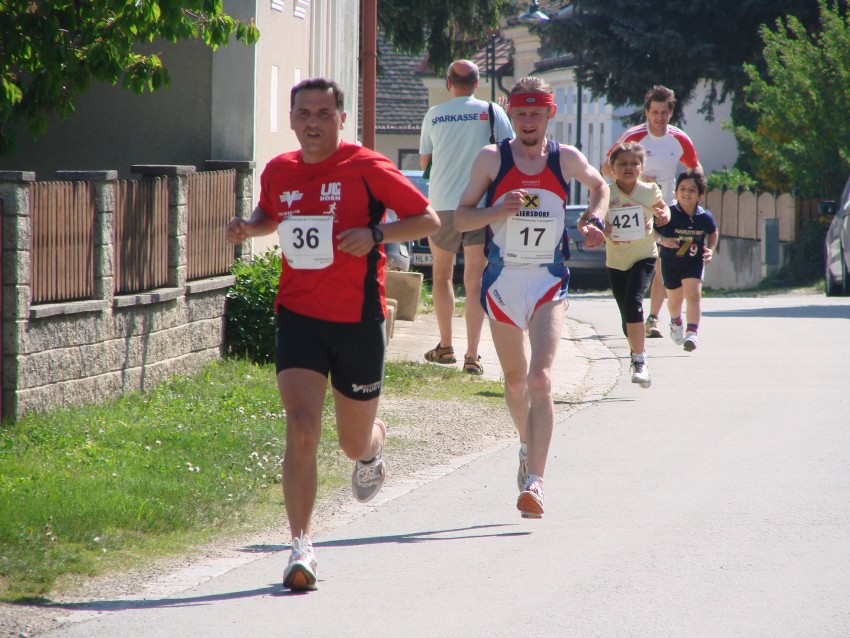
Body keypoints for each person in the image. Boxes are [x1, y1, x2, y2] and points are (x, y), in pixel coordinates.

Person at [227, 78, 439, 591]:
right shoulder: (279, 170)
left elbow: (427, 219)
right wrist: (249, 227)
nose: (313, 122)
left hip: (358, 319)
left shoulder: (367, 167)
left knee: (350, 442)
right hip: (299, 315)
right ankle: (301, 546)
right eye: (304, 113)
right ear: (292, 119)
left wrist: (376, 234)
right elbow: (270, 214)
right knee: (302, 428)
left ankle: (372, 446)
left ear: (341, 118)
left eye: (324, 113)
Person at [455, 77, 609, 519]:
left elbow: (599, 186)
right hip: (503, 281)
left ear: (549, 114)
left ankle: (535, 483)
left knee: (540, 378)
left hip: (547, 280)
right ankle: (526, 444)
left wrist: (594, 219)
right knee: (515, 380)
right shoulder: (492, 158)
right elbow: (462, 217)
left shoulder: (565, 158)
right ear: (511, 112)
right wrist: (497, 210)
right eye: (520, 113)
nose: (527, 121)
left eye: (535, 114)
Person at [419, 60, 515, 374]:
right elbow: (510, 153)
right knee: (475, 281)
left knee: (441, 275)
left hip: (442, 204)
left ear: (449, 82)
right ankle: (472, 356)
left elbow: (425, 163)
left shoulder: (434, 114)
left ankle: (445, 346)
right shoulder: (492, 111)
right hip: (480, 205)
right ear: (477, 83)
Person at [602, 85, 701, 340]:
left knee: (662, 263)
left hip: (666, 207)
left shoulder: (679, 138)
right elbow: (606, 168)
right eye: (655, 112)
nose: (659, 117)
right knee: (638, 260)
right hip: (636, 207)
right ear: (646, 113)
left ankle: (653, 318)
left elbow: (695, 168)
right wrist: (634, 179)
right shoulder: (634, 137)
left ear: (671, 113)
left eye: (664, 112)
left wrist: (692, 197)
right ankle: (633, 311)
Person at [580, 142, 669, 388]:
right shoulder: (604, 194)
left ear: (641, 167)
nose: (628, 168)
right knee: (626, 318)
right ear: (612, 168)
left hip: (644, 256)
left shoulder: (650, 191)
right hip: (616, 262)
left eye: (633, 163)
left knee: (633, 303)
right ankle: (635, 353)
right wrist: (595, 229)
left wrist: (664, 216)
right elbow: (583, 222)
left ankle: (640, 361)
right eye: (622, 164)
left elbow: (664, 210)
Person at [656, 168, 718, 352]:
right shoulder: (668, 214)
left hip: (693, 262)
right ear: (675, 193)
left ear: (700, 195)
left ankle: (692, 333)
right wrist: (662, 240)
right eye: (682, 189)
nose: (686, 193)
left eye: (692, 190)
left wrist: (711, 250)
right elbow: (651, 231)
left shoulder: (704, 216)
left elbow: (713, 232)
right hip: (670, 262)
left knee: (693, 294)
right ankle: (676, 321)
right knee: (674, 301)